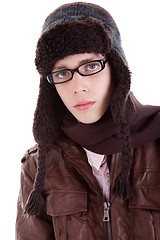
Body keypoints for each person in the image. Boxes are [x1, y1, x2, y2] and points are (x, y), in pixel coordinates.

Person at [15, 2, 160, 240]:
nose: (78, 87)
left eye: (91, 66)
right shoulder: (38, 166)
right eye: (62, 73)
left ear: (116, 69)